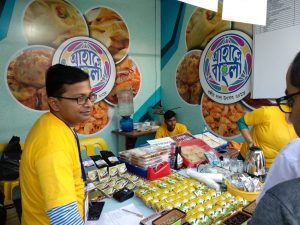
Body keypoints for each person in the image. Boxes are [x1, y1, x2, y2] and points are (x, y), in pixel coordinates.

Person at [20, 64, 96, 224]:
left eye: (90, 96)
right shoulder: (52, 143)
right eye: (80, 98)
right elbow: (63, 217)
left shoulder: (56, 124)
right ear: (54, 103)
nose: (89, 104)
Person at [250, 51, 300, 223]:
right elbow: (241, 122)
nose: (291, 115)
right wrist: (250, 143)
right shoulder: (266, 112)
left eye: (291, 102)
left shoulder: (293, 154)